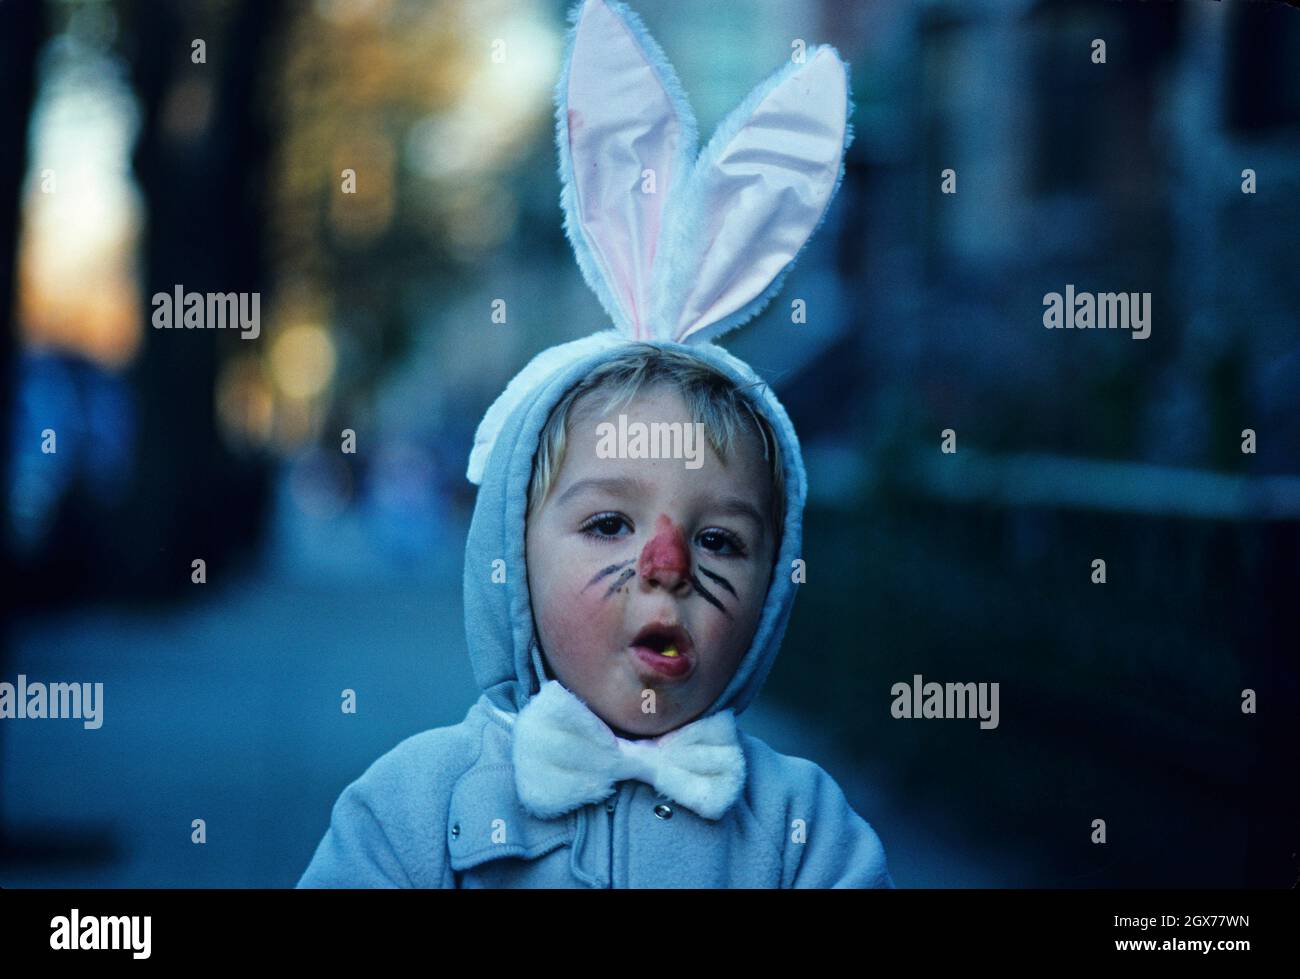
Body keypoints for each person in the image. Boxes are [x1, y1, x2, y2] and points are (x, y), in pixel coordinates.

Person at [298, 0, 893, 888]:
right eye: (610, 522)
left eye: (722, 539)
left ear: (772, 589)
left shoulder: (807, 835)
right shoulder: (413, 809)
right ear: (513, 553)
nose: (666, 564)